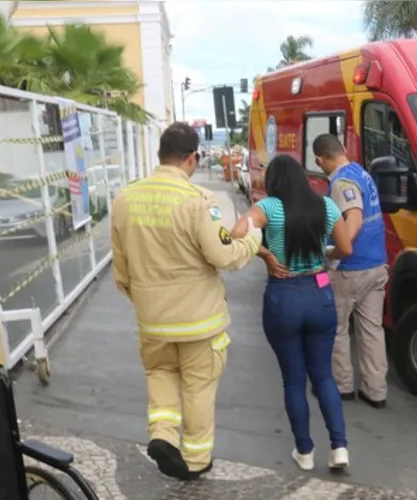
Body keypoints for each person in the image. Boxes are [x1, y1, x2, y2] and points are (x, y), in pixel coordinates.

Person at [111, 122, 262, 481]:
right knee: (198, 387)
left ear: (160, 155)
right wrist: (253, 241)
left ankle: (162, 435)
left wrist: (144, 301)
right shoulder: (198, 202)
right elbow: (224, 256)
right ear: (193, 157)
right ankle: (196, 461)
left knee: (160, 374)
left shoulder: (124, 199)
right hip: (199, 323)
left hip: (152, 321)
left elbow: (122, 268)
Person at [229, 154, 354, 471]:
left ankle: (305, 451)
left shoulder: (270, 207)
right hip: (319, 292)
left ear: (275, 181)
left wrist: (266, 254)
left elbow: (236, 232)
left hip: (283, 297)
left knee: (294, 380)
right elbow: (345, 249)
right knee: (324, 375)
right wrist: (324, 253)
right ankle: (339, 447)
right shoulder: (325, 206)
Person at [312, 134, 390, 409]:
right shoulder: (361, 173)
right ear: (343, 149)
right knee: (371, 331)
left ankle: (342, 386)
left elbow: (354, 217)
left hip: (349, 270)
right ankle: (376, 391)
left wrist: (337, 251)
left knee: (337, 328)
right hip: (377, 266)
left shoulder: (341, 182)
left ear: (320, 159)